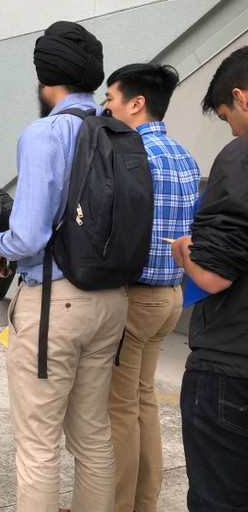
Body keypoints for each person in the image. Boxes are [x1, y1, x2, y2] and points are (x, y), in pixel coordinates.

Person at [0, 21, 128, 511]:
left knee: (39, 446)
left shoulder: (46, 133)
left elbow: (28, 233)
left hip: (54, 302)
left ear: (45, 82)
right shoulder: (118, 129)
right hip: (111, 301)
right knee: (92, 437)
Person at [102, 63, 200, 512]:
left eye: (111, 99)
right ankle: (145, 503)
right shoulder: (184, 155)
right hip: (173, 298)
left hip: (137, 298)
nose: (106, 107)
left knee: (120, 409)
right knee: (144, 401)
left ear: (136, 104)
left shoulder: (132, 155)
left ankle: (118, 506)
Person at [171, 46, 248, 512]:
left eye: (226, 117)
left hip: (232, 369)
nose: (232, 130)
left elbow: (215, 276)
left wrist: (184, 253)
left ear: (242, 98)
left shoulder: (241, 156)